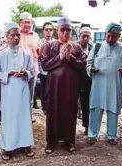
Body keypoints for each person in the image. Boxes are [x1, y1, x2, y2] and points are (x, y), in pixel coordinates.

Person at [40, 17, 86, 154]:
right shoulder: (49, 46)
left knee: (70, 113)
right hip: (54, 87)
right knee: (53, 112)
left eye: (68, 30)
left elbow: (83, 65)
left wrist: (71, 58)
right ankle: (51, 142)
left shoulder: (76, 47)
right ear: (57, 31)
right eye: (63, 30)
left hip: (71, 88)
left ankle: (69, 141)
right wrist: (59, 57)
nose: (66, 33)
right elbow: (44, 65)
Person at [86, 23, 122, 145]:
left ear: (119, 36)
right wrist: (91, 68)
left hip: (115, 85)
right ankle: (92, 134)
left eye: (114, 36)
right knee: (95, 108)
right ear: (105, 34)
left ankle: (112, 135)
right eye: (108, 36)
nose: (110, 39)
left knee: (113, 109)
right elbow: (88, 62)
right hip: (98, 84)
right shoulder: (97, 46)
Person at [0, 22, 35, 160]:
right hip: (8, 90)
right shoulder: (1, 55)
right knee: (9, 118)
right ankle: (8, 148)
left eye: (18, 35)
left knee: (23, 117)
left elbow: (32, 71)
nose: (16, 38)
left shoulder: (26, 54)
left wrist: (26, 73)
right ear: (7, 37)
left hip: (22, 90)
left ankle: (26, 145)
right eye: (13, 35)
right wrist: (8, 74)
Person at [19, 12, 41, 116]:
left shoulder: (36, 36)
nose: (27, 24)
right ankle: (19, 116)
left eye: (29, 22)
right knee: (19, 94)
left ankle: (28, 116)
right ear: (20, 23)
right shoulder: (16, 35)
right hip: (18, 70)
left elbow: (40, 52)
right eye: (25, 22)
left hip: (32, 70)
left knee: (30, 94)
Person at [77, 26, 93, 135]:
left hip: (88, 82)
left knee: (86, 106)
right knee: (72, 106)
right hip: (74, 81)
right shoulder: (72, 46)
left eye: (88, 37)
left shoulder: (93, 48)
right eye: (84, 36)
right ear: (79, 36)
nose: (86, 39)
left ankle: (87, 126)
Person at [39, 22, 56, 113]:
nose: (48, 31)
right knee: (43, 90)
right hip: (43, 71)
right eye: (46, 29)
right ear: (43, 31)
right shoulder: (40, 42)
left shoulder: (56, 42)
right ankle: (44, 108)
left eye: (50, 29)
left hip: (53, 71)